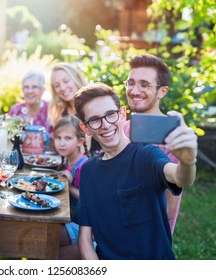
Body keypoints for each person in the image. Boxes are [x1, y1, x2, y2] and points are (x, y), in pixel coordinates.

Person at [74, 82, 197, 259]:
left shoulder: (147, 155)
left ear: (122, 114)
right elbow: (85, 237)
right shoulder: (88, 171)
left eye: (111, 114)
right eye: (94, 119)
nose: (106, 124)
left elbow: (180, 177)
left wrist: (187, 161)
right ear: (85, 128)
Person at [123, 54, 181, 234]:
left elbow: (169, 210)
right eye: (130, 82)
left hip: (149, 238)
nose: (134, 90)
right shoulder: (123, 129)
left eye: (144, 84)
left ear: (162, 91)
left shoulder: (172, 136)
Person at [53, 115, 89, 259]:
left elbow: (88, 200)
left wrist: (68, 185)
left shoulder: (84, 166)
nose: (62, 143)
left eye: (68, 138)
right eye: (58, 138)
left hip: (83, 228)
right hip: (71, 220)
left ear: (80, 141)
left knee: (42, 241)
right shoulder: (69, 161)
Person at [49, 62, 101, 155]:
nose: (62, 88)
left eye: (66, 81)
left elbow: (85, 151)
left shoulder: (90, 109)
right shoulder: (62, 113)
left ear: (76, 79)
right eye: (57, 85)